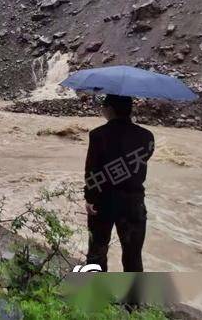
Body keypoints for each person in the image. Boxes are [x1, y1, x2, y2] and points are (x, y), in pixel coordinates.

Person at [84, 94, 155, 272]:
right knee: (132, 253)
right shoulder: (147, 136)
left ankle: (94, 292)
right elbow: (139, 163)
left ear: (110, 109)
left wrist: (89, 198)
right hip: (133, 201)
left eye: (103, 107)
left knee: (97, 250)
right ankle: (133, 297)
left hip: (103, 201)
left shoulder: (98, 135)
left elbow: (92, 171)